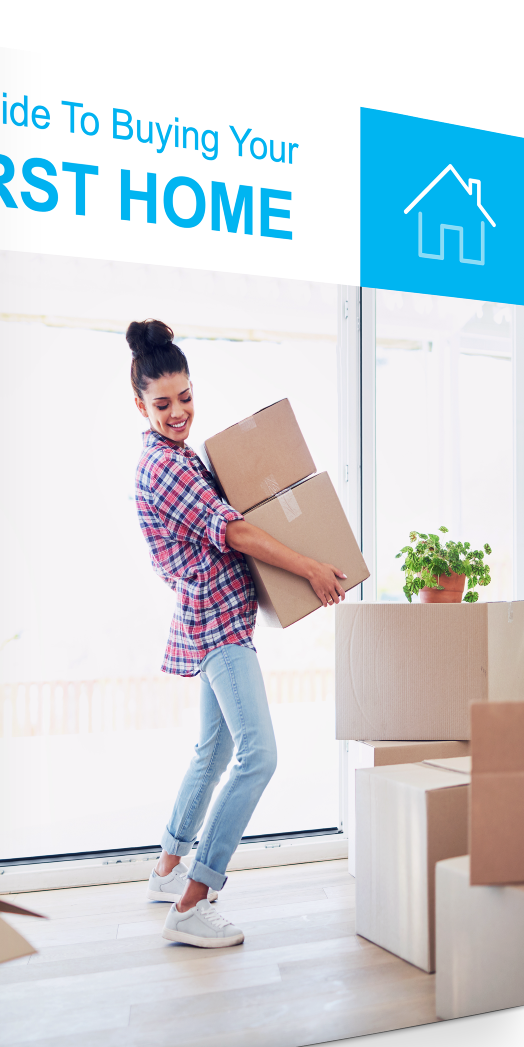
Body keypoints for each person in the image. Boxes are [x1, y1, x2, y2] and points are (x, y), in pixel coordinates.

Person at [130, 319, 348, 949]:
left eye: (186, 397)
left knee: (215, 752)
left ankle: (168, 869)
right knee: (260, 755)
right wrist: (310, 566)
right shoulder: (166, 468)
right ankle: (197, 900)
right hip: (219, 623)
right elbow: (238, 533)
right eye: (162, 403)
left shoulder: (178, 457)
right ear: (139, 404)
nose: (178, 412)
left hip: (216, 615)